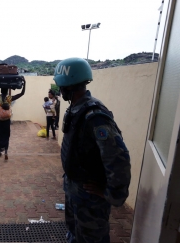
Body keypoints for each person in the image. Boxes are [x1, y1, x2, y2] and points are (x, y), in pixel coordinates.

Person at [53, 57, 131, 243]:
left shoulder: (95, 117)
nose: (60, 90)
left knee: (91, 238)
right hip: (74, 189)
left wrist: (111, 193)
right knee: (74, 233)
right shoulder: (75, 110)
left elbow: (118, 158)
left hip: (89, 196)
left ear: (68, 86)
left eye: (62, 86)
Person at [0, 81, 26, 160]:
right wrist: (24, 84)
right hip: (6, 120)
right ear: (7, 91)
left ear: (1, 91)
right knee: (6, 135)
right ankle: (6, 151)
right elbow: (21, 93)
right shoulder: (9, 98)